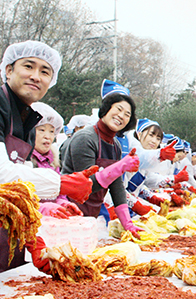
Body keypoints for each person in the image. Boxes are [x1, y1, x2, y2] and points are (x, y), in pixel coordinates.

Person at [0, 40, 95, 273]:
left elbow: (13, 196)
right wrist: (62, 183)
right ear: (9, 70)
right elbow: (2, 176)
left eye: (45, 72)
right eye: (28, 66)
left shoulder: (28, 123)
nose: (36, 76)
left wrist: (34, 241)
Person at [61, 82, 143, 237]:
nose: (121, 116)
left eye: (127, 114)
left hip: (91, 214)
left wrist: (127, 223)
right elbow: (85, 185)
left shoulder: (116, 145)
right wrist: (120, 166)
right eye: (118, 109)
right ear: (106, 109)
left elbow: (116, 185)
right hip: (69, 211)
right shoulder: (85, 138)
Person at [30, 102, 83, 219]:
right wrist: (44, 208)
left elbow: (58, 192)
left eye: (51, 132)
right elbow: (20, 199)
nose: (47, 136)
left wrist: (64, 204)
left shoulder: (53, 161)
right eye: (42, 130)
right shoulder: (24, 160)